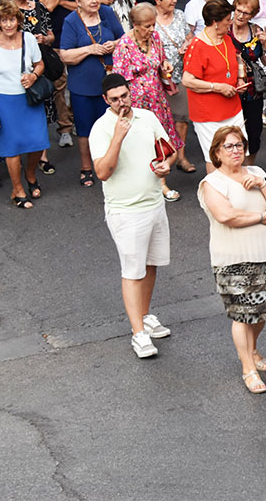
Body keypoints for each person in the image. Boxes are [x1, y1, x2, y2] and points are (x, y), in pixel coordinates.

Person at [90, 72, 176, 358]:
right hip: (125, 211)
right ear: (106, 100)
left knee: (151, 265)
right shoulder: (101, 129)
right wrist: (118, 136)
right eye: (114, 99)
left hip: (154, 203)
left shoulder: (148, 117)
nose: (121, 103)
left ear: (130, 93)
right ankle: (138, 333)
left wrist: (166, 165)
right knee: (132, 271)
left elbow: (168, 150)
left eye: (124, 96)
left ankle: (145, 315)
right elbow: (103, 172)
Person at [197, 125, 266, 394]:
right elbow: (226, 216)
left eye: (239, 145)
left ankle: (251, 349)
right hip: (232, 259)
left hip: (262, 254)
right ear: (217, 152)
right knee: (241, 315)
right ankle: (248, 367)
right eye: (229, 146)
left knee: (261, 312)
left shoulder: (257, 173)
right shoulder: (212, 183)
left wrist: (263, 185)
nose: (236, 151)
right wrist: (260, 217)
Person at [0, 0, 48, 208]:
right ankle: (17, 190)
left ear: (18, 21)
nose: (8, 25)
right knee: (12, 148)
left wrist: (34, 76)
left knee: (39, 141)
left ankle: (30, 174)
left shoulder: (29, 39)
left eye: (12, 20)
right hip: (4, 100)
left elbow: (40, 64)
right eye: (4, 21)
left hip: (29, 98)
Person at [112, 3, 182, 201]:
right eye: (147, 26)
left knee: (159, 142)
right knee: (141, 144)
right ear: (135, 25)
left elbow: (160, 61)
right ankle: (152, 184)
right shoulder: (123, 46)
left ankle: (160, 182)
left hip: (157, 100)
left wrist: (164, 66)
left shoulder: (156, 38)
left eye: (153, 25)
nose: (152, 30)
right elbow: (118, 82)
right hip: (137, 104)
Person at [59, 0, 124, 187]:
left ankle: (115, 163)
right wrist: (89, 49)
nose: (95, 0)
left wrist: (113, 44)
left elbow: (124, 39)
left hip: (110, 82)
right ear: (78, 1)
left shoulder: (106, 13)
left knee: (115, 125)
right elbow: (65, 55)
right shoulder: (71, 21)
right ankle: (87, 168)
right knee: (86, 129)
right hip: (83, 86)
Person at [182, 0, 246, 173]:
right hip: (209, 114)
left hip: (233, 108)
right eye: (227, 20)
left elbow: (236, 58)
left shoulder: (225, 38)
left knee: (239, 153)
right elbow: (187, 80)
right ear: (215, 22)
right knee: (216, 158)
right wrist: (218, 87)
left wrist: (240, 78)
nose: (231, 22)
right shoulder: (197, 46)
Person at [8, 0, 59, 174]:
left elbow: (51, 35)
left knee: (42, 110)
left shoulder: (39, 8)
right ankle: (20, 154)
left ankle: (43, 156)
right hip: (18, 66)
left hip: (41, 64)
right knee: (21, 110)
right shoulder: (8, 12)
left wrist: (45, 39)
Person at [29, 0, 77, 148]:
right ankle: (64, 128)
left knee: (76, 83)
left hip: (77, 38)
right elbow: (46, 8)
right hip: (55, 39)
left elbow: (82, 5)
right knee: (59, 84)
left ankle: (76, 121)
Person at [152, 0, 196, 173]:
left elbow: (189, 36)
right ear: (157, 0)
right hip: (157, 77)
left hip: (179, 74)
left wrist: (187, 46)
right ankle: (161, 158)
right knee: (158, 120)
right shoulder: (149, 18)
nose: (174, 0)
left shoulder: (179, 15)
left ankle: (181, 156)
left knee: (181, 118)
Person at [228, 0, 266, 160]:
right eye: (238, 10)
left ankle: (250, 166)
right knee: (232, 132)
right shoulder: (225, 29)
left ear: (253, 15)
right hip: (231, 87)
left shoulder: (256, 30)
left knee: (254, 131)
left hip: (253, 90)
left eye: (246, 13)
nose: (240, 15)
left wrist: (265, 45)